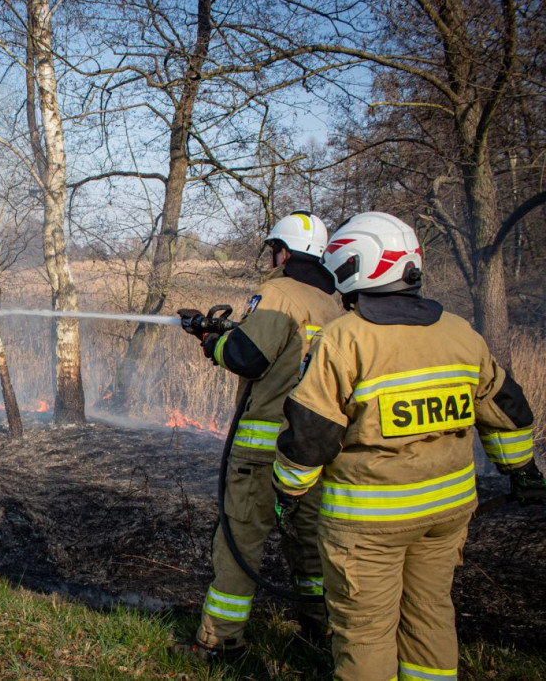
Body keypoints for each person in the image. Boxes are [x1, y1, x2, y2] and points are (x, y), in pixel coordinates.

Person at [271, 212, 544, 681]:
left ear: (353, 267)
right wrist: (522, 470)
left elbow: (310, 435)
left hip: (369, 523)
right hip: (446, 514)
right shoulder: (460, 333)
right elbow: (508, 410)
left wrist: (288, 490)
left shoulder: (345, 339)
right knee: (430, 614)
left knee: (366, 631)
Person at [178, 210, 340, 660]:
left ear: (282, 252)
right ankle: (321, 631)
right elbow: (286, 350)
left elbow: (249, 358)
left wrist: (211, 343)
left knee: (239, 542)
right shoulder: (333, 305)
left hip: (262, 452)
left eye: (274, 250)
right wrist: (227, 331)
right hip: (310, 452)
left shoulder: (278, 294)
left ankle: (220, 643)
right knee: (309, 545)